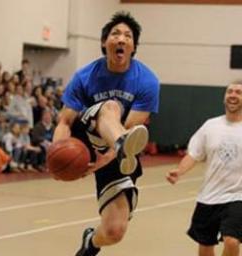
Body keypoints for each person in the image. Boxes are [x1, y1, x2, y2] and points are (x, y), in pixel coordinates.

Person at [53, 11, 160, 256]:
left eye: (127, 36)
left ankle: (92, 241)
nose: (121, 39)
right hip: (87, 133)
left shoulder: (147, 81)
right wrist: (57, 152)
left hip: (116, 150)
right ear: (104, 43)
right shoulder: (84, 76)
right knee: (111, 106)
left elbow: (132, 127)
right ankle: (121, 145)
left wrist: (110, 155)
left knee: (115, 230)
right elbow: (64, 121)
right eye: (115, 34)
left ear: (133, 47)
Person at [166, 81, 242, 256]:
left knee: (232, 241)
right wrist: (179, 171)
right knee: (205, 243)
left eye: (238, 92)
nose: (232, 95)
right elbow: (194, 154)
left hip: (237, 195)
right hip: (209, 196)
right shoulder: (211, 126)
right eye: (230, 91)